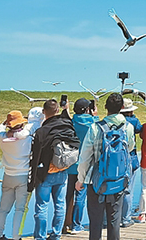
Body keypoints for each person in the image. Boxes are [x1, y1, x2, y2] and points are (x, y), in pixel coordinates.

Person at [76, 93, 136, 240]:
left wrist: (81, 179)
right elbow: (129, 148)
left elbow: (85, 157)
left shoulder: (95, 128)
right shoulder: (128, 127)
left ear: (105, 107)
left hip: (96, 181)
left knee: (95, 222)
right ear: (122, 107)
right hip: (118, 180)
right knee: (114, 221)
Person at [29, 99, 79, 240]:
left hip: (45, 174)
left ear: (44, 112)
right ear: (57, 110)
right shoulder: (67, 125)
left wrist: (31, 180)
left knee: (42, 206)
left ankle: (40, 236)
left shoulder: (41, 131)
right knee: (60, 205)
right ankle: (56, 234)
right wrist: (66, 108)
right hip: (62, 170)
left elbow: (35, 157)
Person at [0, 111, 33, 240]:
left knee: (3, 208)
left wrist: (4, 123)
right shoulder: (27, 138)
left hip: (8, 175)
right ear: (21, 124)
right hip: (22, 176)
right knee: (19, 209)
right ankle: (16, 237)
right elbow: (29, 130)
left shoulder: (1, 137)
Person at [64, 99, 98, 235]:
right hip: (85, 164)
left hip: (71, 163)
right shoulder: (92, 123)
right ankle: (76, 225)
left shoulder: (71, 122)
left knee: (69, 194)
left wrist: (65, 109)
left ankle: (65, 223)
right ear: (87, 109)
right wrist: (95, 115)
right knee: (80, 195)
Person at [120, 98, 143, 227]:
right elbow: (139, 129)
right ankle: (126, 218)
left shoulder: (115, 120)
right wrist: (133, 117)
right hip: (131, 157)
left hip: (116, 160)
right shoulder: (133, 121)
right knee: (128, 190)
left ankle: (113, 218)